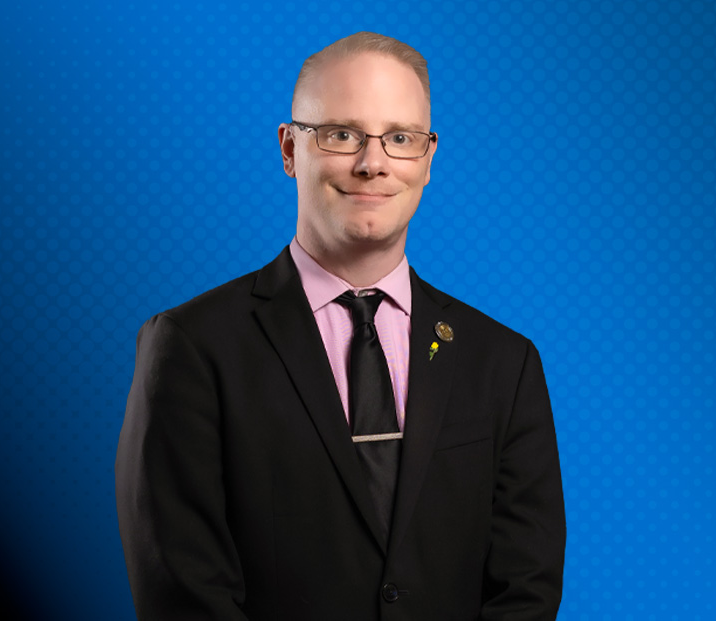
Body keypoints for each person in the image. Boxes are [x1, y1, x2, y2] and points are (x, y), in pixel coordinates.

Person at [116, 32, 565, 620]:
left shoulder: (504, 361)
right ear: (289, 149)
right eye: (342, 134)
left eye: (399, 138)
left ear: (428, 158)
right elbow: (182, 592)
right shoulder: (192, 347)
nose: (372, 163)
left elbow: (526, 587)